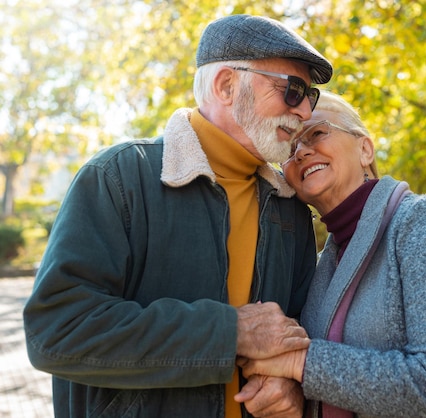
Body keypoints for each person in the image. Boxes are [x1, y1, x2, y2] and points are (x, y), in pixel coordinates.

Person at [23, 14, 332, 418]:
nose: (304, 112)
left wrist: (291, 386)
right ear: (226, 85)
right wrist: (231, 332)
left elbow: (297, 336)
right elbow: (56, 331)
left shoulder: (290, 208)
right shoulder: (118, 178)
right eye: (292, 90)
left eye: (310, 96)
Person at [236, 91, 426, 417]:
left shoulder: (424, 224)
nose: (301, 151)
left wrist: (300, 361)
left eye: (316, 133)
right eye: (290, 147)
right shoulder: (325, 262)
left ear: (365, 149)